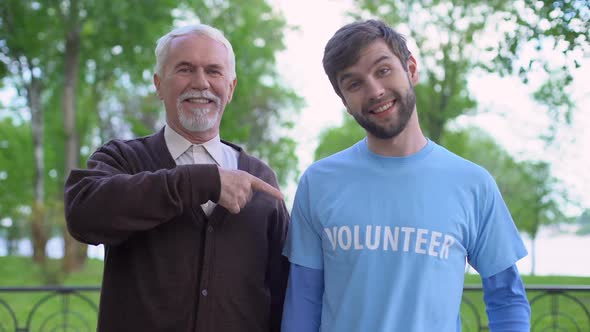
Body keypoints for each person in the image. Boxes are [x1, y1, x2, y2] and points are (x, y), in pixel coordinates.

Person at [281, 19, 531, 332]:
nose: (375, 91)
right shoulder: (317, 182)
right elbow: (303, 301)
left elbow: (507, 299)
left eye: (383, 70)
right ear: (344, 101)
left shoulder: (473, 184)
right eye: (354, 84)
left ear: (411, 69)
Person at [64, 24, 290, 332]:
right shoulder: (123, 159)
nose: (201, 83)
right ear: (159, 85)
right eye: (185, 69)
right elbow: (82, 215)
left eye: (214, 71)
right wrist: (203, 182)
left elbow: (284, 288)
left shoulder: (260, 177)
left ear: (231, 87)